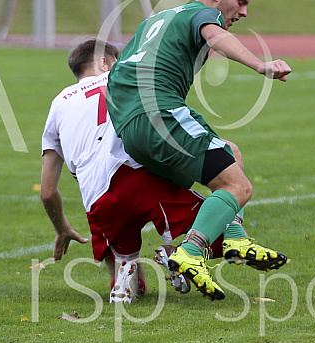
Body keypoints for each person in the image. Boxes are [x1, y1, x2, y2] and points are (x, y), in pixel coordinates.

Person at [107, 0, 291, 301]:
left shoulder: (155, 20)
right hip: (159, 114)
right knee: (238, 186)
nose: (245, 11)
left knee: (230, 153)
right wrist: (260, 64)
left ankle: (234, 238)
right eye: (242, 2)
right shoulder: (202, 15)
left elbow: (118, 74)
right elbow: (217, 37)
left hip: (131, 127)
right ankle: (191, 253)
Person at [41, 39, 224, 303]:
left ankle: (125, 280)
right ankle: (179, 254)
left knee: (127, 264)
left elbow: (47, 192)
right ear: (105, 62)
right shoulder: (123, 78)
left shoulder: (58, 104)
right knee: (219, 224)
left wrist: (62, 228)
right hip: (137, 177)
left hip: (97, 199)